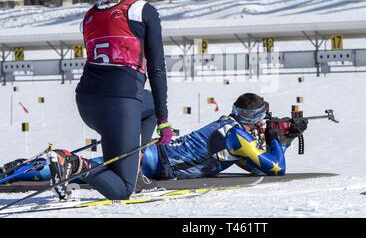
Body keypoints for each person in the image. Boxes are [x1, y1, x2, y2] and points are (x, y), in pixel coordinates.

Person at [46, 0, 173, 201]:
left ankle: (132, 169)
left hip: (88, 102)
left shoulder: (90, 14)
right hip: (120, 103)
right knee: (122, 190)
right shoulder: (141, 9)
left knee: (148, 108)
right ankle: (74, 163)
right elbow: (157, 68)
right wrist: (165, 120)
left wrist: (157, 115)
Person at [3, 93, 307, 186]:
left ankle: (25, 169)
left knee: (88, 172)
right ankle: (30, 169)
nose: (268, 122)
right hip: (155, 162)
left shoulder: (232, 129)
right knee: (85, 171)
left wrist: (281, 138)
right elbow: (274, 169)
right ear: (254, 119)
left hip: (157, 158)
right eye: (264, 118)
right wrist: (277, 138)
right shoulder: (238, 136)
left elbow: (254, 166)